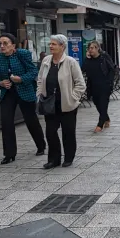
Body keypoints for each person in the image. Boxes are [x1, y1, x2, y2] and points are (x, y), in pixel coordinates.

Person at [0, 33, 46, 165]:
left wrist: (21, 79)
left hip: (24, 90)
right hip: (8, 92)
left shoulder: (22, 54)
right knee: (6, 123)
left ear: (13, 45)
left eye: (5, 43)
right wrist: (0, 83)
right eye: (0, 43)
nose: (2, 46)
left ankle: (41, 145)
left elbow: (33, 71)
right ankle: (9, 154)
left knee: (30, 120)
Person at [37, 35, 86, 169]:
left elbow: (81, 84)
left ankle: (69, 157)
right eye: (50, 44)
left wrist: (73, 97)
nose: (51, 46)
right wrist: (39, 94)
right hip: (49, 103)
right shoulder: (46, 60)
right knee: (50, 132)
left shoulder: (70, 62)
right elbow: (40, 79)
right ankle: (54, 159)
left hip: (67, 104)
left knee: (68, 132)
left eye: (54, 44)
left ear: (62, 46)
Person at [82, 40, 116, 132]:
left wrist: (110, 82)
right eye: (89, 48)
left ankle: (100, 125)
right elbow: (83, 69)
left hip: (104, 85)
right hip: (93, 85)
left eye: (92, 48)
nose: (90, 50)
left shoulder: (104, 57)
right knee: (97, 103)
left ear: (97, 48)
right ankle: (106, 118)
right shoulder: (89, 60)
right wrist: (87, 58)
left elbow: (112, 69)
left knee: (103, 104)